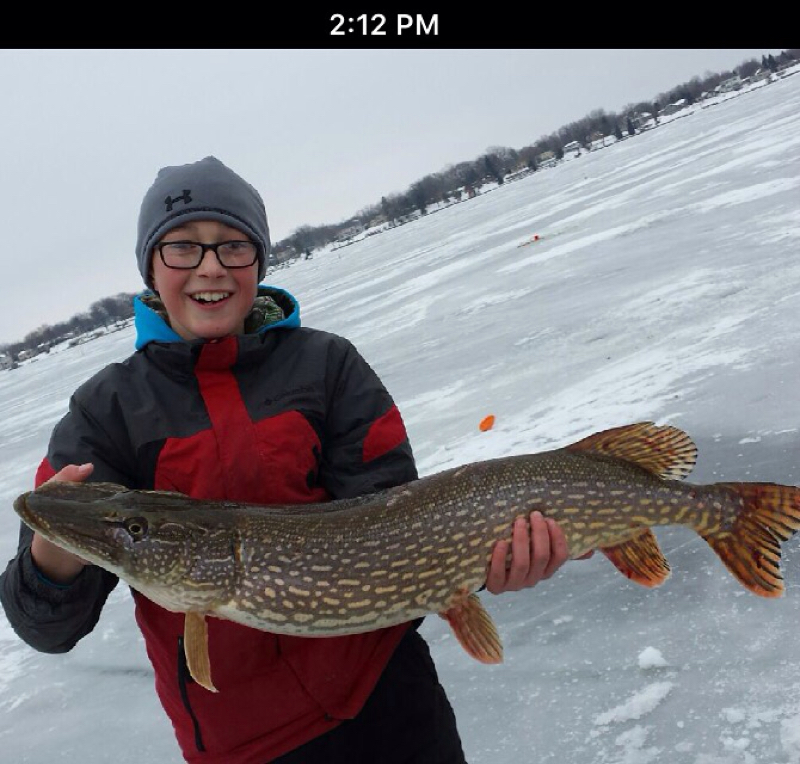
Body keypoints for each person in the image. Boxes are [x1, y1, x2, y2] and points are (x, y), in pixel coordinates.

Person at [1, 156, 576, 764]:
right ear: (150, 266)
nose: (210, 267)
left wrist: (479, 565)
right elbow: (46, 628)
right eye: (182, 249)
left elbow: (399, 515)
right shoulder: (104, 412)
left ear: (259, 260)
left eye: (233, 246)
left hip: (389, 703)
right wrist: (52, 560)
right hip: (245, 745)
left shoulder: (326, 366)